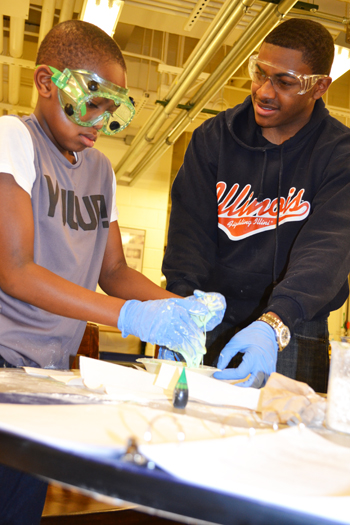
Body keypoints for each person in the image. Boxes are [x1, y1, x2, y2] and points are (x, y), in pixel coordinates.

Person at [0, 20, 225, 524]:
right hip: (2, 360)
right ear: (45, 82)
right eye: (90, 102)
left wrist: (176, 307)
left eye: (110, 110)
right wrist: (131, 317)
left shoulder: (101, 170)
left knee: (20, 506)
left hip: (46, 375)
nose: (98, 121)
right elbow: (15, 271)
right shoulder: (12, 138)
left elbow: (115, 269)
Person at [162, 17, 350, 393]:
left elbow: (327, 249)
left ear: (319, 87)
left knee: (285, 444)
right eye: (259, 73)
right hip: (211, 318)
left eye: (284, 82)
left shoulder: (340, 154)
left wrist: (274, 322)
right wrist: (179, 309)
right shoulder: (213, 139)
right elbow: (189, 236)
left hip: (291, 326)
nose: (263, 91)